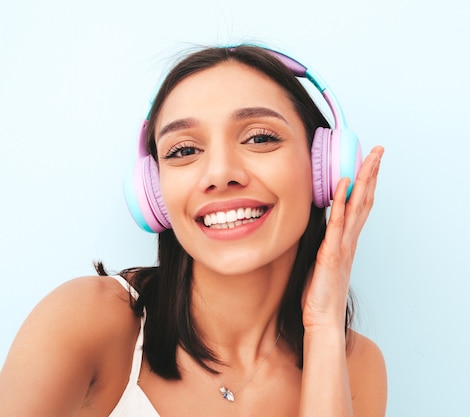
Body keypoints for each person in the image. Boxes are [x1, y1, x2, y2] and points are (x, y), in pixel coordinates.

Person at [0, 44, 387, 417]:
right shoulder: (87, 318)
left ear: (325, 166)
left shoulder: (355, 364)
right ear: (153, 191)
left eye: (259, 138)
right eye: (183, 150)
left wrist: (323, 328)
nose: (219, 174)